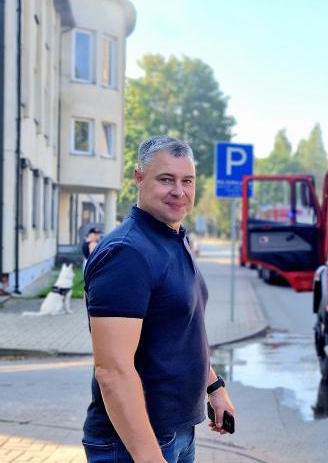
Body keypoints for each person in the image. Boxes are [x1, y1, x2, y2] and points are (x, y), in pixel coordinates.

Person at [82, 136, 235, 463]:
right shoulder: (127, 253)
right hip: (133, 445)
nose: (179, 191)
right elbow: (112, 371)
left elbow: (184, 332)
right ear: (139, 178)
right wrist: (149, 456)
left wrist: (215, 387)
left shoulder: (174, 238)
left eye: (187, 181)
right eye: (166, 179)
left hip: (177, 433)